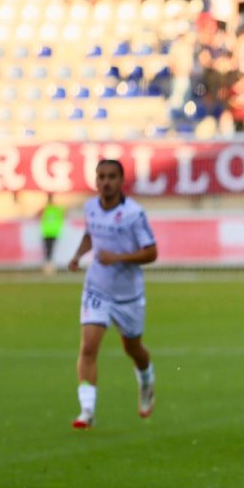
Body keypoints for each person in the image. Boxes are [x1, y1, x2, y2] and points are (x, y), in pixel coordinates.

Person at [67, 159, 159, 429]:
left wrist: (119, 257)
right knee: (88, 346)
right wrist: (77, 256)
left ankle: (146, 381)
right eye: (101, 177)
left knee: (133, 348)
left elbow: (152, 252)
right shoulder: (90, 207)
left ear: (121, 181)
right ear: (95, 181)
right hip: (97, 288)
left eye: (111, 177)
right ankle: (87, 410)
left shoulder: (133, 213)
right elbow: (89, 234)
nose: (105, 182)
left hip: (128, 294)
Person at [38, 192, 65, 276]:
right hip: (50, 232)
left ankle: (48, 268)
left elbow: (38, 214)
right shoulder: (53, 208)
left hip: (50, 232)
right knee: (49, 251)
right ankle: (48, 268)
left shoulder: (48, 209)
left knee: (49, 251)